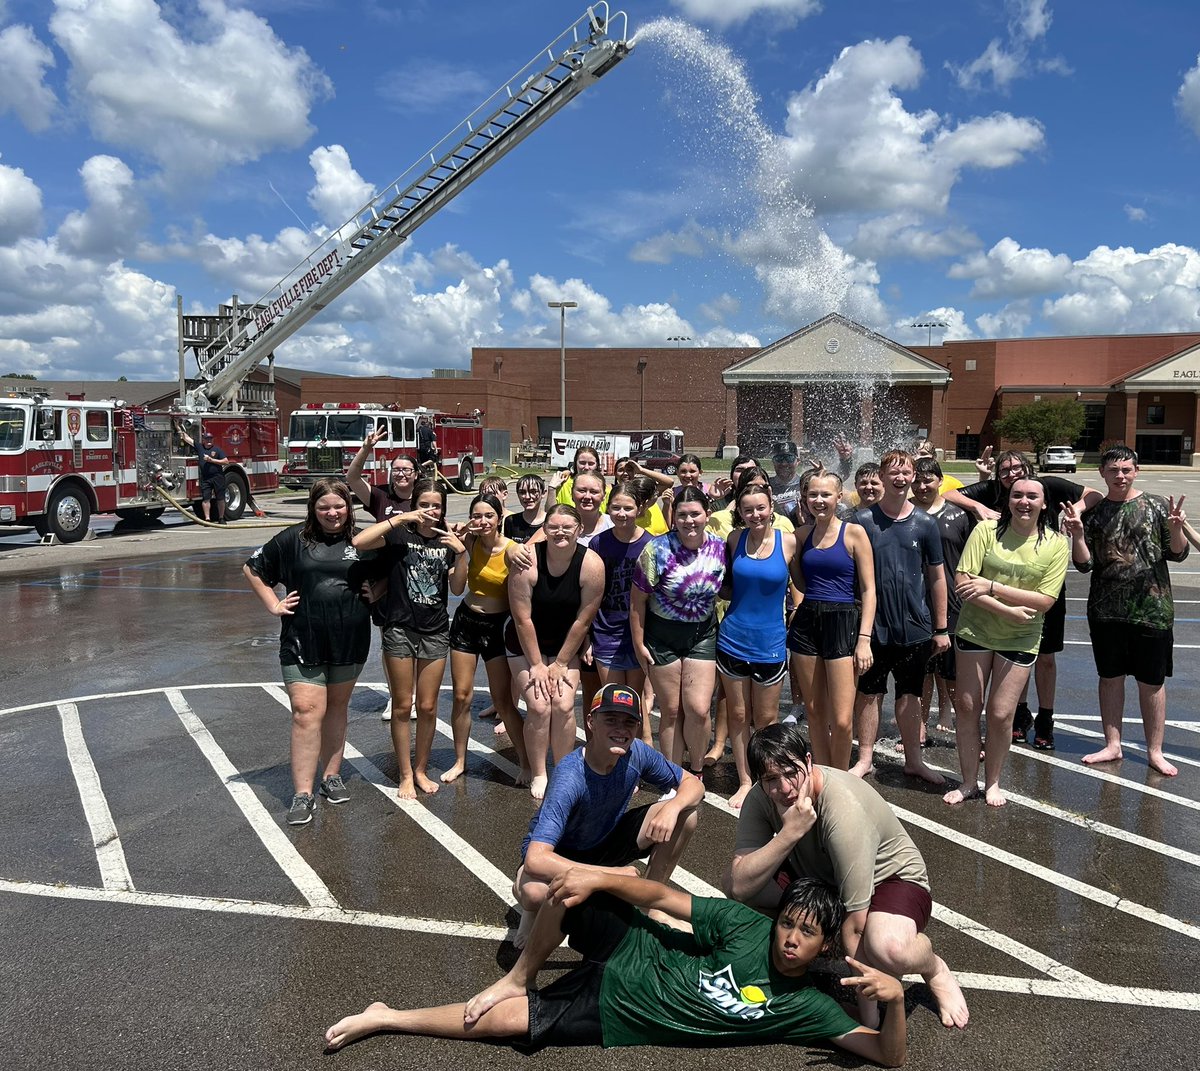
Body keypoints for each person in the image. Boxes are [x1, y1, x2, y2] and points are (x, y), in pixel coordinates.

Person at [325, 870, 909, 1066]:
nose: (790, 940)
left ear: (825, 946)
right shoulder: (746, 926)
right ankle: (519, 972)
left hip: (617, 1011)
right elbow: (660, 896)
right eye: (789, 924)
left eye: (807, 934)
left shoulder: (808, 1008)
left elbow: (889, 1055)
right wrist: (597, 876)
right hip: (637, 947)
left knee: (505, 1026)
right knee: (562, 890)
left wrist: (897, 1001)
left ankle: (388, 1017)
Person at [725, 723, 968, 1031]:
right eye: (771, 779)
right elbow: (740, 884)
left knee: (887, 947)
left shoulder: (843, 811)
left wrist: (868, 1023)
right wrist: (789, 833)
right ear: (759, 780)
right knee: (742, 889)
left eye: (791, 773)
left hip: (889, 879)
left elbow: (855, 927)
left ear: (809, 762)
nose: (784, 788)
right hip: (822, 876)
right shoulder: (761, 798)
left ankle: (934, 969)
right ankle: (811, 950)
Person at [512, 684, 703, 945]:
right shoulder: (570, 777)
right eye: (611, 720)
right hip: (560, 853)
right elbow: (536, 859)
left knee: (686, 814)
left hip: (604, 838)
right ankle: (532, 916)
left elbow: (694, 784)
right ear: (591, 722)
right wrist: (610, 876)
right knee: (534, 894)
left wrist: (672, 806)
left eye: (629, 722)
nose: (621, 730)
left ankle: (650, 904)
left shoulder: (637, 751)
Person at [243, 479, 380, 825]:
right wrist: (274, 604)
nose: (332, 513)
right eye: (324, 507)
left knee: (336, 708)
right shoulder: (293, 539)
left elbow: (391, 566)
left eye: (339, 506)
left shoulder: (362, 540)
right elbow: (252, 568)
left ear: (349, 507)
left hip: (350, 638)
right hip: (302, 638)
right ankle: (302, 793)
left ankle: (330, 776)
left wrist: (376, 590)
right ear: (312, 509)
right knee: (306, 712)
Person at [944, 450, 1098, 748]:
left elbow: (1094, 494)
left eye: (1017, 468)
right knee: (1012, 659)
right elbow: (949, 493)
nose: (1011, 474)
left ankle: (1046, 718)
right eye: (1004, 471)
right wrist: (979, 506)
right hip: (994, 601)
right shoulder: (993, 491)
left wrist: (1074, 510)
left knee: (1045, 657)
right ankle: (1020, 713)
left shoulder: (1048, 486)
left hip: (1041, 590)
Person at [1062, 445, 1189, 776]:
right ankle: (1112, 744)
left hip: (1153, 610)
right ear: (1103, 474)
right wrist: (1077, 534)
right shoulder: (1095, 513)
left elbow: (1177, 555)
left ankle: (1155, 750)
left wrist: (1176, 528)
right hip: (1106, 611)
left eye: (1126, 469)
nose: (1120, 475)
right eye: (1114, 470)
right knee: (1110, 678)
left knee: (1152, 682)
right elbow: (1084, 563)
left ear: (1136, 471)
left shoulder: (1157, 506)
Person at [943, 477, 1068, 807]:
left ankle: (993, 781)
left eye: (1032, 496)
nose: (1023, 501)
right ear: (1008, 500)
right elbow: (962, 581)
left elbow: (1045, 600)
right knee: (968, 708)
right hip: (975, 631)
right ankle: (969, 781)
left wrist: (992, 587)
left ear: (1045, 504)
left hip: (1021, 635)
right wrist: (1006, 609)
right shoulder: (986, 530)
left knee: (1000, 714)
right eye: (1017, 495)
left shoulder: (1056, 544)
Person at [352, 480, 467, 798]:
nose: (432, 511)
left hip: (435, 631)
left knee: (428, 707)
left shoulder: (447, 542)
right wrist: (399, 518)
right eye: (426, 504)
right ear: (416, 504)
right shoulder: (401, 533)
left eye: (437, 505)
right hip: (400, 629)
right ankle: (404, 774)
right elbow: (360, 541)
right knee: (403, 706)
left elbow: (457, 589)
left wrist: (461, 554)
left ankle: (420, 769)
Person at [851, 451, 949, 784]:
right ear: (880, 476)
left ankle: (914, 760)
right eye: (893, 472)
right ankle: (865, 758)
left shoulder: (925, 524)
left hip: (915, 627)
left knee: (910, 693)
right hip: (873, 627)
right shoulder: (863, 522)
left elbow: (937, 577)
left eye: (906, 472)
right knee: (869, 692)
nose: (901, 478)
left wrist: (941, 627)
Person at [506, 505, 605, 800]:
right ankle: (539, 771)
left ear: (580, 530)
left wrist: (561, 662)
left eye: (567, 527)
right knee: (538, 705)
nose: (560, 532)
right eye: (554, 526)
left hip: (565, 643)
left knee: (562, 705)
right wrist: (537, 665)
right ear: (545, 529)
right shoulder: (526, 561)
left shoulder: (591, 564)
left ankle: (562, 770)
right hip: (524, 640)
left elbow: (583, 619)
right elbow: (522, 618)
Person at [630, 486, 725, 776]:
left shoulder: (721, 548)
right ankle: (673, 774)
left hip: (702, 635)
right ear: (674, 517)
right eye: (682, 515)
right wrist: (638, 643)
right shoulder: (656, 549)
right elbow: (637, 602)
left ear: (707, 514)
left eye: (695, 514)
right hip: (661, 636)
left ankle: (695, 771)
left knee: (697, 709)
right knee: (670, 710)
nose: (689, 521)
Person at [788, 471, 876, 771]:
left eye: (825, 494)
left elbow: (869, 590)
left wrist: (864, 640)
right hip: (808, 623)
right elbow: (796, 579)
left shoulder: (854, 533)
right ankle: (821, 775)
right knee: (813, 711)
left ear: (840, 497)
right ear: (805, 498)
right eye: (813, 494)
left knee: (840, 718)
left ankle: (841, 778)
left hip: (843, 621)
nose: (819, 500)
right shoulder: (800, 536)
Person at [718, 479, 797, 807]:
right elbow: (725, 586)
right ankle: (746, 779)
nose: (755, 515)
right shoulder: (734, 539)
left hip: (770, 644)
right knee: (737, 715)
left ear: (771, 508)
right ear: (740, 512)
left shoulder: (789, 542)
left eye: (761, 508)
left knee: (766, 721)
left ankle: (770, 776)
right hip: (733, 638)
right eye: (748, 510)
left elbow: (803, 586)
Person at [447, 492, 530, 785]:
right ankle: (459, 761)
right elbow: (456, 590)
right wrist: (460, 551)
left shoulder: (511, 550)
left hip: (497, 627)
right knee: (461, 696)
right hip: (466, 622)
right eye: (477, 515)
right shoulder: (467, 542)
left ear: (499, 519)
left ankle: (526, 763)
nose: (482, 521)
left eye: (488, 516)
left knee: (503, 702)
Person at [910, 457, 973, 734]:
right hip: (915, 602)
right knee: (922, 671)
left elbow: (972, 558)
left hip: (953, 603)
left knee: (952, 674)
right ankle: (920, 725)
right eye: (917, 480)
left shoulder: (958, 515)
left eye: (928, 480)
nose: (922, 485)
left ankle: (965, 729)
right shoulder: (904, 514)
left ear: (940, 480)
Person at [589, 483, 654, 743]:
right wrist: (587, 640)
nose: (622, 513)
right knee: (615, 699)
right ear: (608, 508)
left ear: (639, 509)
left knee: (635, 700)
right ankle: (616, 757)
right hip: (606, 632)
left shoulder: (650, 544)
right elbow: (590, 594)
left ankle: (646, 750)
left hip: (638, 633)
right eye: (616, 507)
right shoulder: (599, 543)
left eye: (628, 508)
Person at [346, 428, 418, 522]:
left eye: (406, 470)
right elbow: (353, 478)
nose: (400, 474)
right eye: (396, 470)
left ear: (416, 474)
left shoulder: (425, 496)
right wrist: (366, 448)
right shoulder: (381, 496)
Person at [176, 421, 231, 523]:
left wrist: (211, 460)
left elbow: (226, 461)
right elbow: (187, 439)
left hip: (218, 476)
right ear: (204, 440)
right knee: (206, 498)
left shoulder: (217, 450)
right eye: (207, 439)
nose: (208, 441)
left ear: (212, 440)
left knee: (220, 498)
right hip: (205, 477)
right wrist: (178, 427)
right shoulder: (200, 447)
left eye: (210, 439)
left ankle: (221, 518)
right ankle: (207, 518)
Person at [549, 446, 611, 511]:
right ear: (575, 463)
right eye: (582, 463)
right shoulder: (562, 484)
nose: (586, 467)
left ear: (597, 465)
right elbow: (550, 512)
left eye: (591, 464)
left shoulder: (605, 490)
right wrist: (551, 489)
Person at [503, 473, 546, 543]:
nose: (527, 497)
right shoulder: (511, 521)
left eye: (533, 492)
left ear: (543, 493)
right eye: (522, 492)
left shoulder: (550, 522)